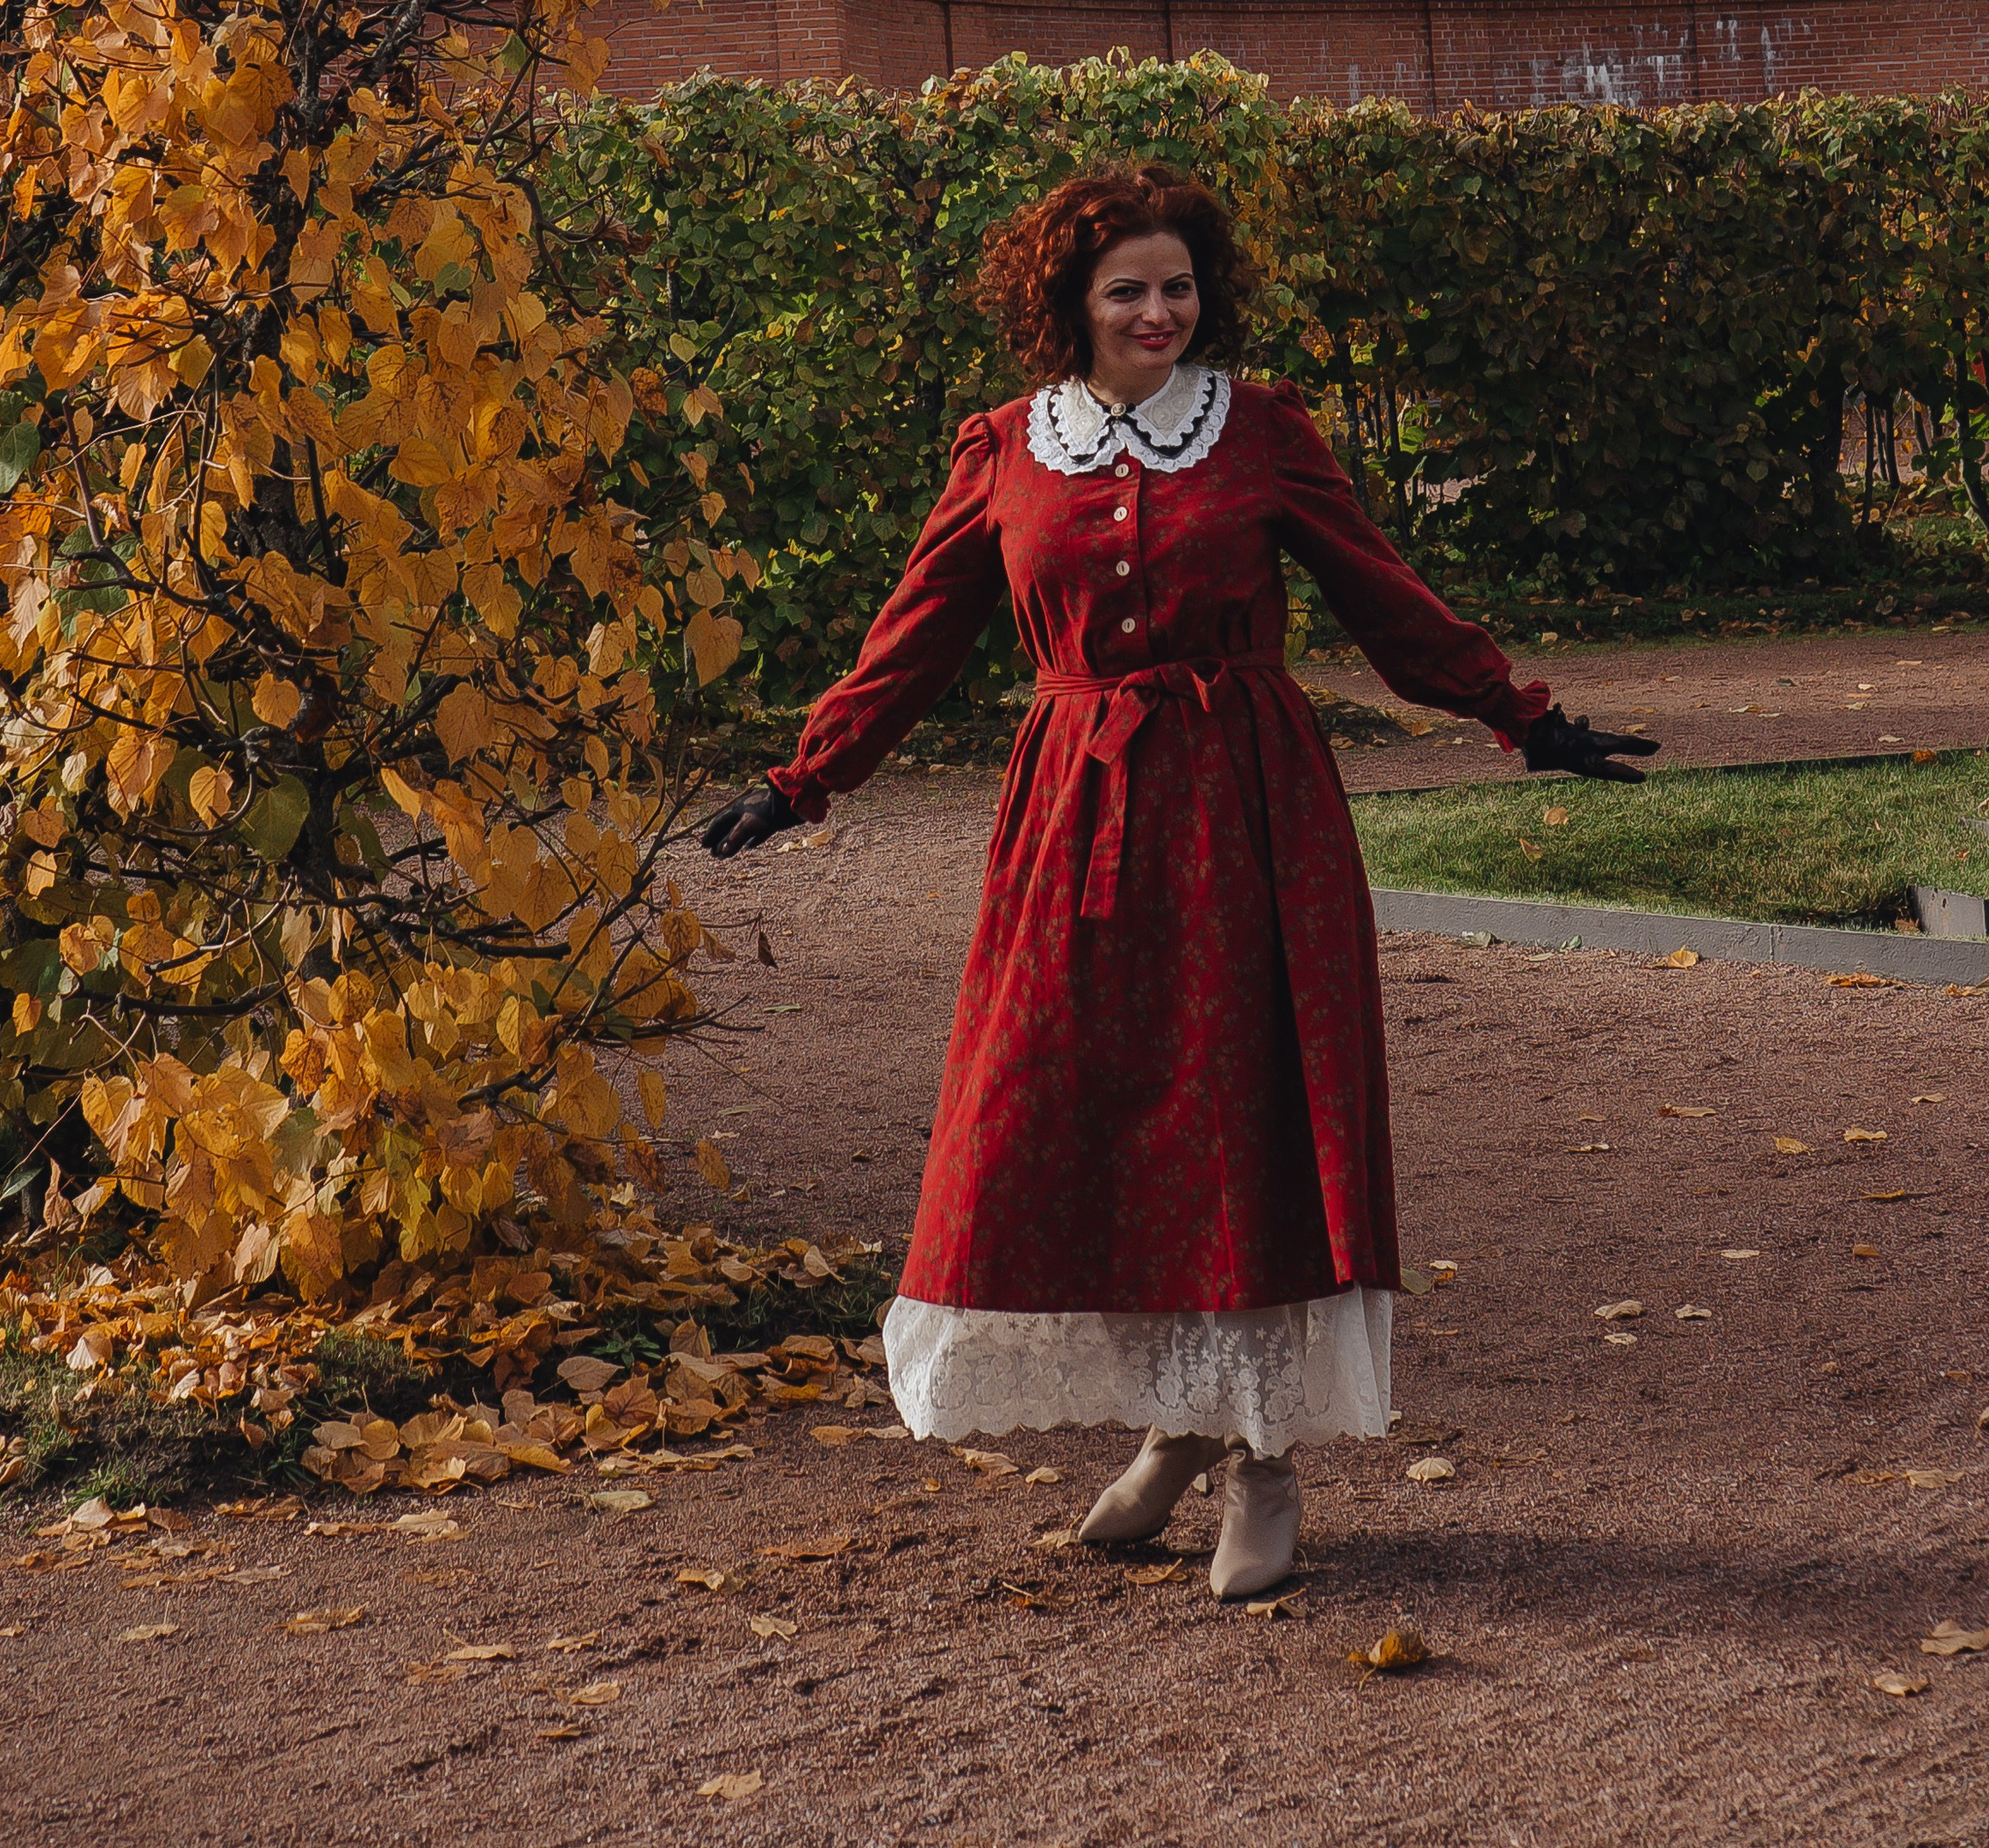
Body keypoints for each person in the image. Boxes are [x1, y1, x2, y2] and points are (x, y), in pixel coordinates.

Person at [700, 165, 1654, 1598]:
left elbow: (1382, 592)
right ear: (1070, 307)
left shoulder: (1260, 433)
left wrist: (1518, 714)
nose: (1160, 312)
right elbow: (917, 635)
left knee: (1247, 1118)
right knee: (1062, 1108)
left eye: (1178, 286)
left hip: (1247, 808)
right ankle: (1181, 1418)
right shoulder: (1007, 450)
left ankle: (1262, 1456)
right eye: (1127, 290)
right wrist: (806, 774)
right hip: (1074, 813)